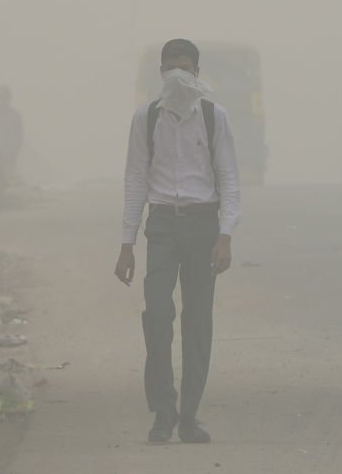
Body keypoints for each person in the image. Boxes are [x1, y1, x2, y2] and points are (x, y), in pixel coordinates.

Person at [116, 38, 241, 444]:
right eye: (170, 68)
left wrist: (225, 236)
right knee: (156, 313)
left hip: (204, 225)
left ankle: (188, 415)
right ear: (161, 73)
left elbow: (229, 178)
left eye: (184, 68)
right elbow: (135, 177)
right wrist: (126, 242)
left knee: (198, 322)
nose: (177, 75)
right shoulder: (146, 118)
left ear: (197, 73)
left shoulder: (213, 116)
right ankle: (162, 409)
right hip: (163, 226)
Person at [0, 85, 24, 184]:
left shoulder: (15, 115)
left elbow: (19, 135)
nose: (4, 99)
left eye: (5, 97)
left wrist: (15, 150)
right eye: (2, 96)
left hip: (9, 152)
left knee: (8, 177)